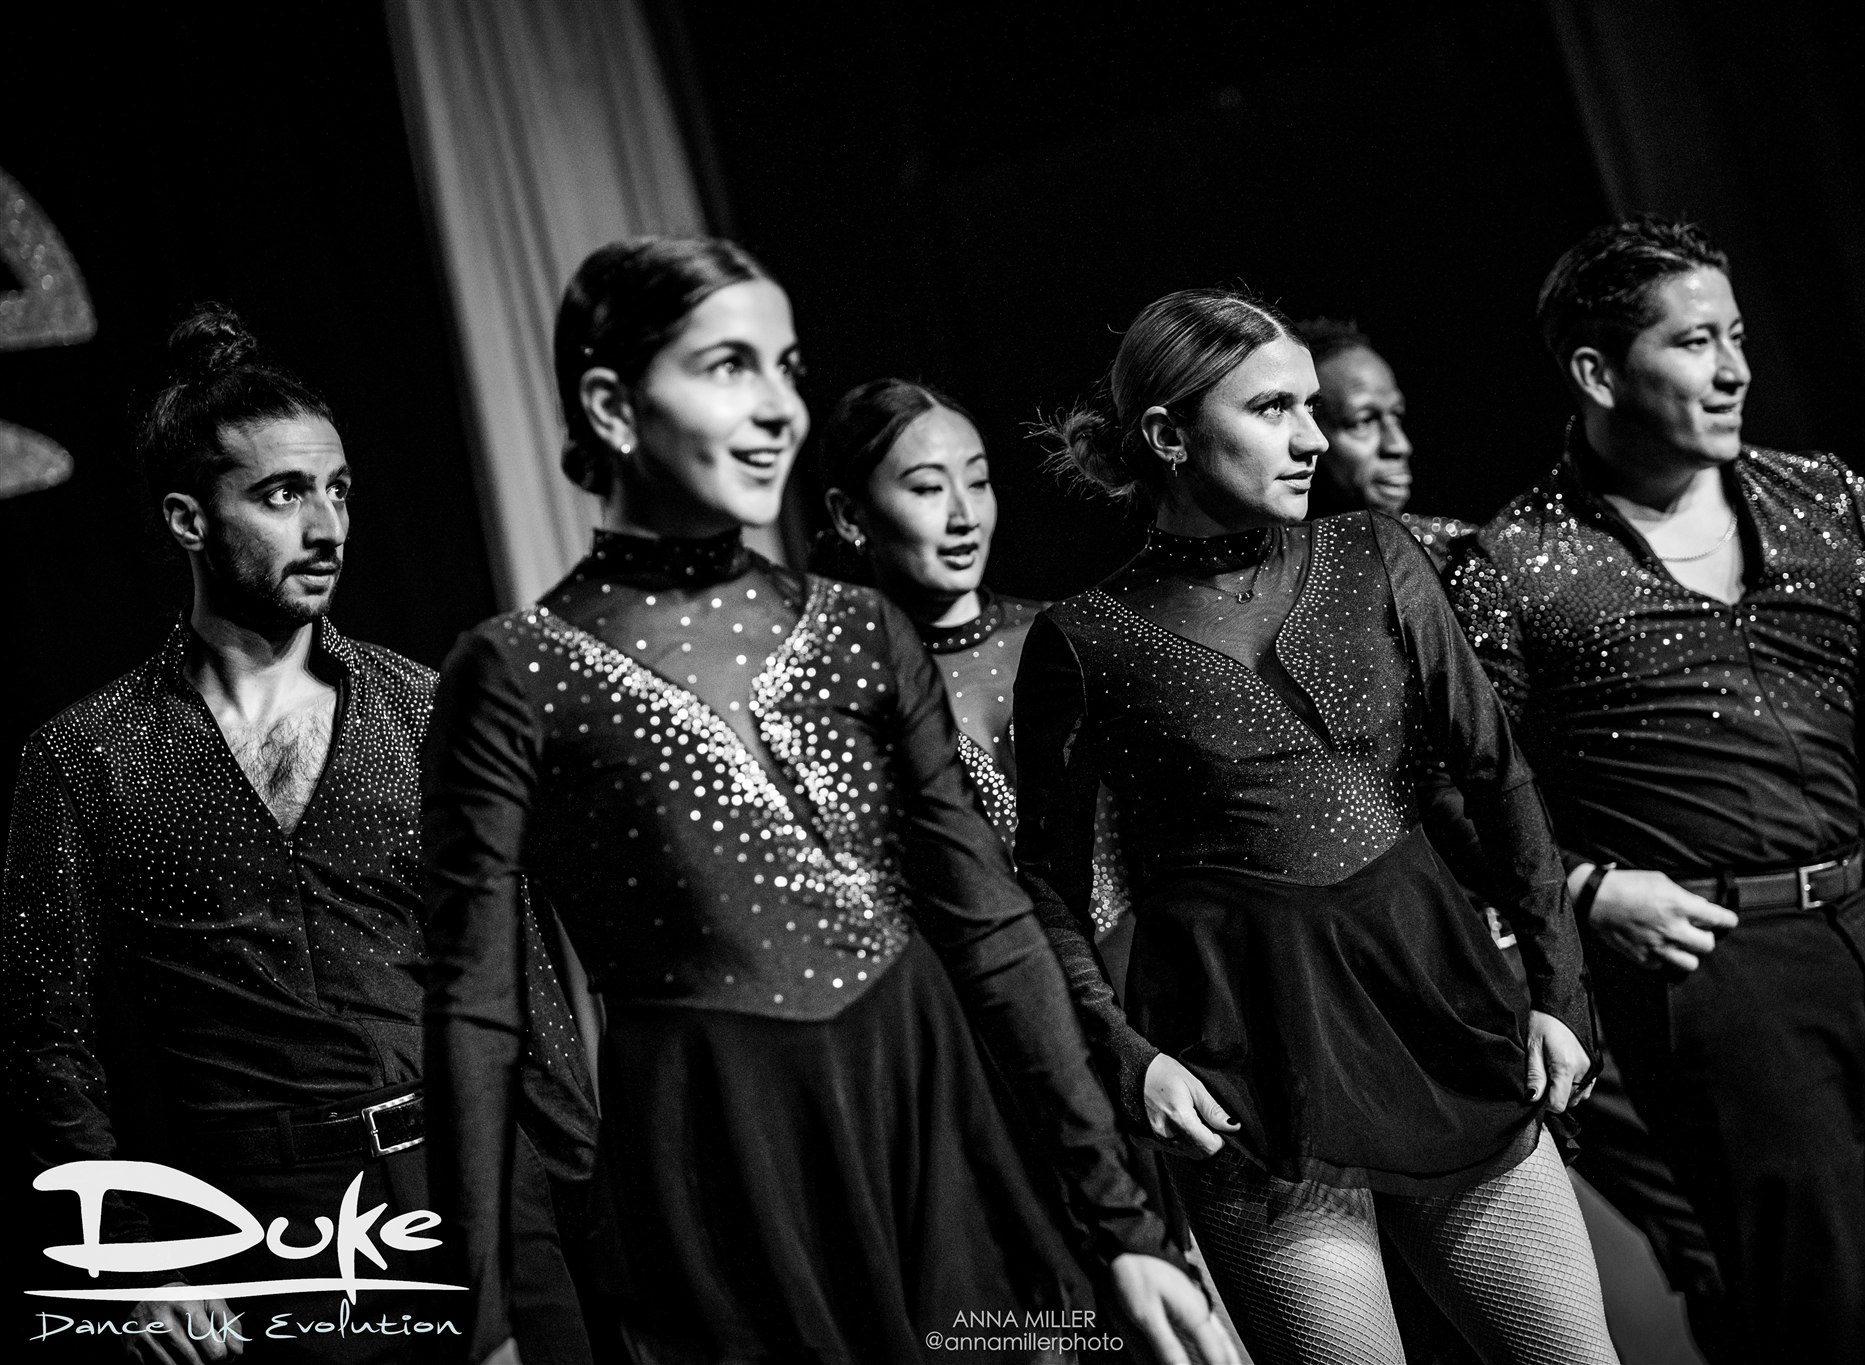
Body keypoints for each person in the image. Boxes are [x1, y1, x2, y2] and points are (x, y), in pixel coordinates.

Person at [419, 237, 1236, 1365]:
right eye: (728, 367)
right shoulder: (514, 670)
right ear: (610, 405)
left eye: (786, 368)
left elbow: (993, 930)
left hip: (933, 1126)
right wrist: (476, 1319)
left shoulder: (860, 630)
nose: (776, 409)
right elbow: (475, 1007)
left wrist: (1122, 1224)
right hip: (724, 1165)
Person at [1446, 214, 1865, 1364]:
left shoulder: (1828, 501)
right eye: (1693, 342)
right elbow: (1462, 796)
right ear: (1595, 373)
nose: (1732, 371)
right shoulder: (1512, 561)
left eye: (1737, 336)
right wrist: (1586, 889)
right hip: (1710, 969)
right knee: (1805, 1315)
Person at [1013, 287, 1617, 1365]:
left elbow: (1497, 779)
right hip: (1254, 1075)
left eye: (1309, 405)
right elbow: (1047, 894)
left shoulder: (1373, 554)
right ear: (1169, 436)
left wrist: (1557, 991)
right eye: (1271, 409)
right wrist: (1127, 1056)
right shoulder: (1083, 640)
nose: (1312, 439)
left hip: (1440, 1017)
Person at [0, 307, 593, 1365]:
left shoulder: (432, 713)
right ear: (189, 519)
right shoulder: (86, 757)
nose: (328, 528)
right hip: (267, 1225)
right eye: (283, 495)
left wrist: (588, 1212)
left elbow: (521, 981)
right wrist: (124, 1253)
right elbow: (45, 1035)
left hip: (480, 1186)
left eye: (339, 490)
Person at [810, 378, 1133, 941]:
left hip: (1144, 968)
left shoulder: (1070, 636)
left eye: (978, 482)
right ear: (849, 516)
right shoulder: (844, 689)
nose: (965, 515)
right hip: (989, 982)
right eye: (928, 488)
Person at [1295, 318, 1469, 566]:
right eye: (1363, 421)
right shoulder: (1264, 576)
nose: (1399, 446)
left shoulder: (1461, 558)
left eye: (1397, 415)